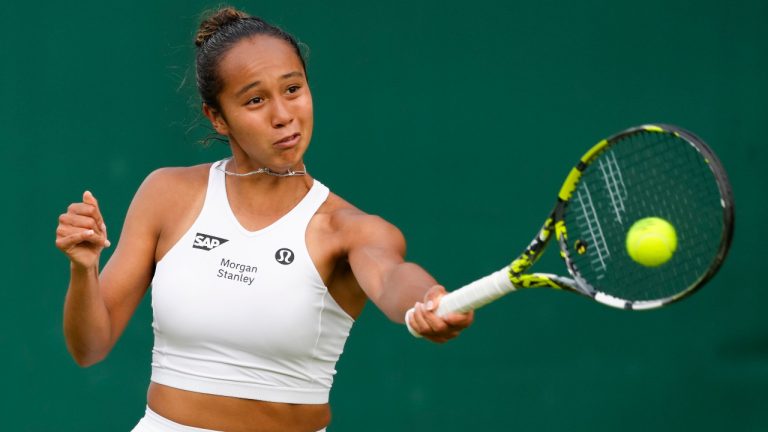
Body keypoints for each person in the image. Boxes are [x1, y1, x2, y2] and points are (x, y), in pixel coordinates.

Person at [56, 6, 473, 432]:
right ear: (217, 117)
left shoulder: (347, 228)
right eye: (255, 100)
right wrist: (83, 269)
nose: (283, 115)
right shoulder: (167, 195)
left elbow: (392, 277)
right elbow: (89, 347)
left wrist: (426, 300)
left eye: (293, 89)